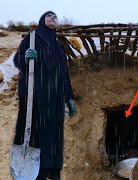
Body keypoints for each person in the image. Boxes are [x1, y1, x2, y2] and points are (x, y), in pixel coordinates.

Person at [13, 11, 76, 180]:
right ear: (43, 20)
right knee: (35, 130)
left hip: (55, 96)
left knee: (55, 133)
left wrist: (69, 97)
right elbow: (16, 60)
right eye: (49, 16)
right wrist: (25, 58)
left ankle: (53, 170)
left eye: (55, 17)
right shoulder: (32, 38)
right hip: (35, 93)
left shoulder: (58, 47)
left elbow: (64, 74)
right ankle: (37, 172)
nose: (53, 18)